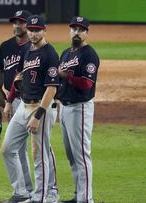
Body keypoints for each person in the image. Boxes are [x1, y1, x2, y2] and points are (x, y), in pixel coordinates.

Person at [2, 15, 60, 203]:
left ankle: (41, 197)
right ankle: (21, 192)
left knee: (39, 154)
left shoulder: (50, 54)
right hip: (23, 106)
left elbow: (52, 88)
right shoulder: (28, 50)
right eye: (31, 30)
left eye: (37, 30)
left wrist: (38, 116)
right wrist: (10, 100)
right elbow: (19, 77)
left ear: (45, 30)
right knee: (7, 148)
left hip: (40, 107)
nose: (33, 34)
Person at [56, 16, 99, 203]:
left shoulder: (89, 55)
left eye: (81, 29)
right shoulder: (66, 53)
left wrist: (66, 76)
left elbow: (87, 84)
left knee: (81, 155)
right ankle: (78, 195)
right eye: (74, 28)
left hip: (80, 109)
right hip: (64, 109)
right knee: (72, 156)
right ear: (69, 31)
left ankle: (86, 199)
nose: (76, 32)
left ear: (87, 33)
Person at [0, 9, 35, 200]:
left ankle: (32, 191)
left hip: (30, 101)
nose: (17, 25)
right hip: (13, 101)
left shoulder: (34, 48)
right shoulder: (6, 46)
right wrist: (0, 98)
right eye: (15, 22)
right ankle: (25, 191)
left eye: (21, 22)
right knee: (18, 148)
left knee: (27, 148)